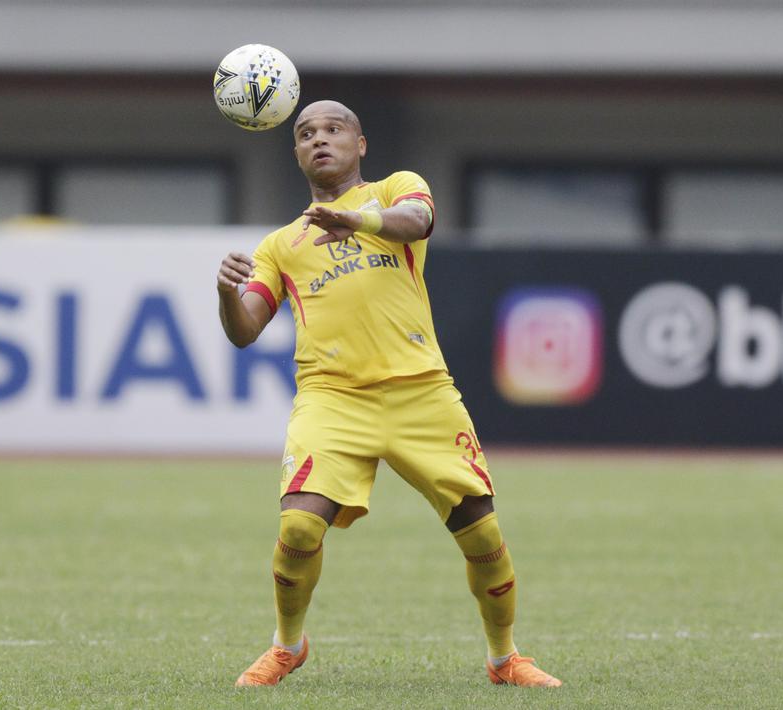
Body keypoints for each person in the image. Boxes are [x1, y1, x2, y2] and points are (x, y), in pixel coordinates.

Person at [215, 100, 562, 689]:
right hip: (332, 398)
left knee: (482, 531)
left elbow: (417, 222)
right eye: (306, 133)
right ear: (296, 153)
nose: (319, 139)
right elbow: (245, 330)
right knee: (298, 529)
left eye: (333, 129)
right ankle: (287, 645)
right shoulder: (280, 245)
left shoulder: (397, 188)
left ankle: (505, 658)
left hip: (420, 392)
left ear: (361, 145)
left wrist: (357, 220)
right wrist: (227, 293)